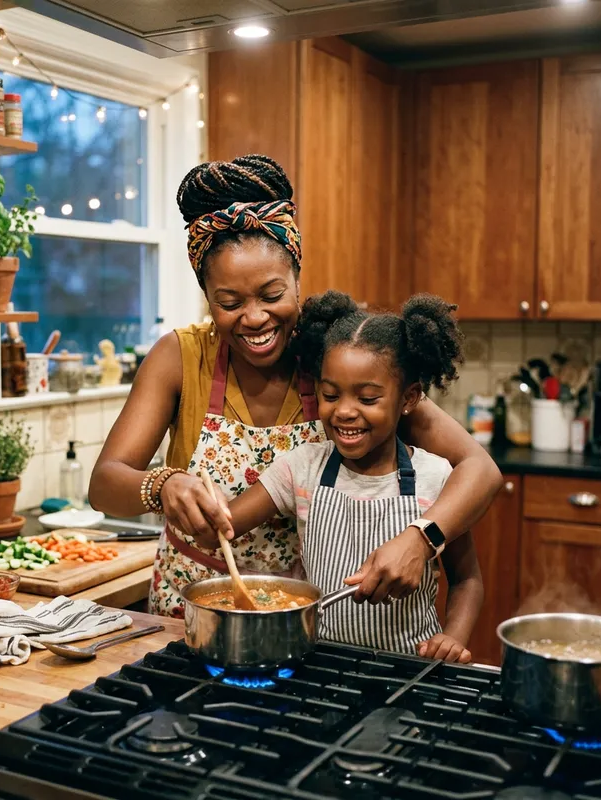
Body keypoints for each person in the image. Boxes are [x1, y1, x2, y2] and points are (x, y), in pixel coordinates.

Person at [88, 154, 501, 619]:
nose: (255, 318)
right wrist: (163, 484)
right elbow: (105, 484)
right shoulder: (179, 357)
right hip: (189, 613)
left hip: (300, 619)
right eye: (229, 303)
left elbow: (479, 470)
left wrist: (424, 537)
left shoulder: (334, 357)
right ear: (207, 298)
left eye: (272, 295)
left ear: (297, 279)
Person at [223, 290, 483, 662]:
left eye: (367, 398)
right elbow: (227, 521)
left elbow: (467, 579)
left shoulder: (436, 476)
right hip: (317, 662)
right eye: (330, 395)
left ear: (408, 398)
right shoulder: (302, 467)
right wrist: (198, 502)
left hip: (409, 669)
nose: (344, 411)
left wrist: (452, 639)